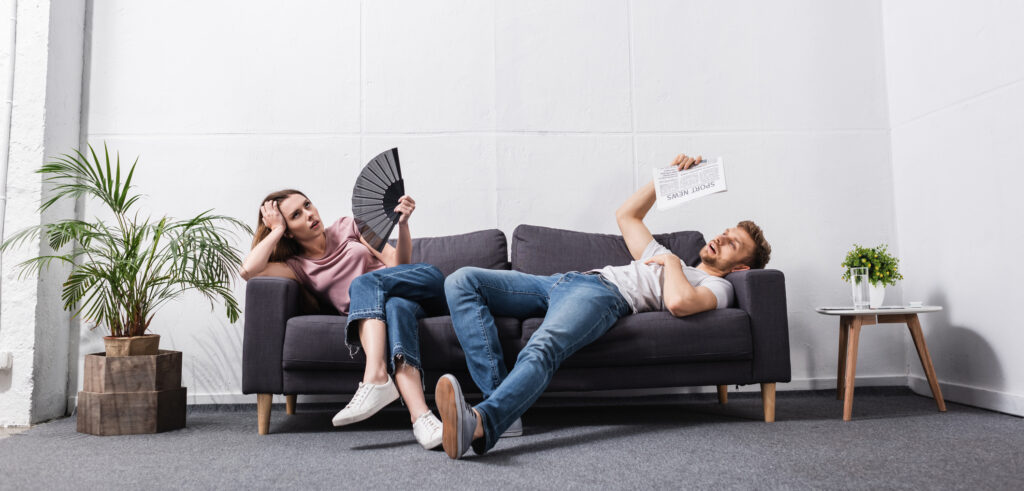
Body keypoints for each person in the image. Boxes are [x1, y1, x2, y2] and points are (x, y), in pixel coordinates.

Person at [435, 152, 772, 459]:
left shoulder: (717, 285)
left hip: (602, 296)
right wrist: (665, 180)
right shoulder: (665, 258)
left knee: (543, 346)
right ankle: (501, 407)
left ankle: (484, 421)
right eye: (726, 231)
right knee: (462, 280)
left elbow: (681, 303)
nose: (722, 237)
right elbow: (627, 216)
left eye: (734, 243)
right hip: (563, 280)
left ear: (741, 267)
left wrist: (670, 262)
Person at [240, 188, 446, 450]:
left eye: (307, 205)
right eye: (296, 215)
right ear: (289, 230)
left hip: (419, 284)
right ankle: (422, 419)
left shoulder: (350, 226)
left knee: (364, 284)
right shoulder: (297, 266)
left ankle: (375, 378)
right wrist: (276, 231)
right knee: (395, 308)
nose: (309, 214)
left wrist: (403, 225)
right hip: (393, 311)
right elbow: (249, 271)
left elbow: (398, 264)